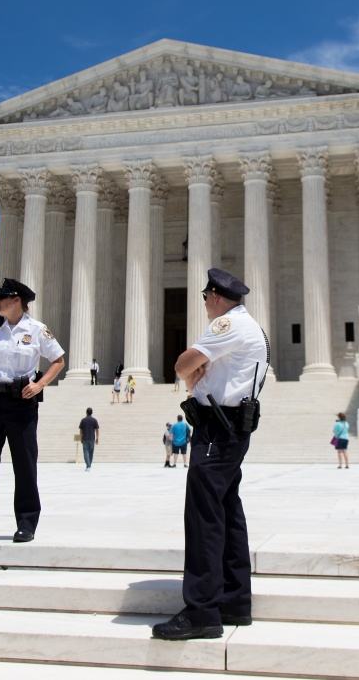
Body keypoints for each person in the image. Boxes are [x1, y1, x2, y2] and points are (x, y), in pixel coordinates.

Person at [152, 268, 267, 641]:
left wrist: (189, 374)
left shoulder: (227, 325)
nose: (204, 305)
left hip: (218, 429)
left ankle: (201, 611)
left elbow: (183, 364)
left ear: (215, 296)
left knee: (204, 517)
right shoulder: (251, 326)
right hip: (231, 426)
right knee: (228, 512)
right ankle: (234, 601)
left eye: (204, 298)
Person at [0, 278, 65, 544]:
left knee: (24, 466)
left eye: (2, 298)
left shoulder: (37, 330)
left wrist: (39, 384)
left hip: (21, 404)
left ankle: (26, 523)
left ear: (17, 301)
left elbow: (58, 360)